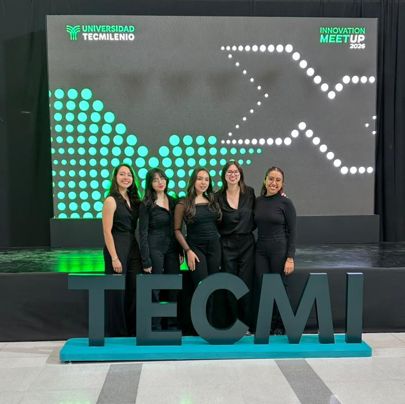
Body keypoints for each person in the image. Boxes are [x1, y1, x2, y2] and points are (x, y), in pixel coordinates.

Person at [174, 167, 222, 325]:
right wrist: (187, 250)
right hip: (195, 249)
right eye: (200, 178)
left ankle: (210, 326)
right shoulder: (183, 203)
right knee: (202, 287)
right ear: (193, 181)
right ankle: (200, 325)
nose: (203, 182)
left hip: (214, 248)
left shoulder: (213, 201)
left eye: (206, 179)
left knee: (213, 287)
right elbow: (177, 230)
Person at [254, 166, 296, 335]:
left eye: (278, 180)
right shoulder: (258, 201)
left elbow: (293, 231)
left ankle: (280, 325)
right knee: (264, 287)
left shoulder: (286, 203)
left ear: (282, 184)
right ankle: (267, 324)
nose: (274, 183)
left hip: (279, 250)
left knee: (279, 288)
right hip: (261, 251)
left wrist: (290, 257)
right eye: (271, 179)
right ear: (265, 180)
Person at [139, 168, 182, 331]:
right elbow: (142, 232)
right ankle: (154, 326)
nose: (160, 182)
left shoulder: (173, 201)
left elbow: (177, 228)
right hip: (154, 247)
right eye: (155, 179)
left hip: (172, 248)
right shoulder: (146, 204)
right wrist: (146, 259)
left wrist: (180, 250)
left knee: (173, 286)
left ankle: (172, 325)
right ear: (150, 183)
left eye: (162, 178)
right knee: (155, 288)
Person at [102, 163, 142, 337]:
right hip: (117, 246)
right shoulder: (111, 200)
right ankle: (117, 333)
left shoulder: (134, 200)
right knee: (117, 292)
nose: (126, 177)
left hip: (133, 246)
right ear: (115, 177)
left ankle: (132, 330)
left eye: (129, 175)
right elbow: (107, 231)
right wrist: (114, 257)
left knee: (134, 287)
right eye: (122, 174)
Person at [216, 160, 255, 330]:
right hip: (227, 245)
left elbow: (259, 212)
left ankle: (245, 325)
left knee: (246, 283)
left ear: (240, 175)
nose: (233, 175)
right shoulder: (217, 196)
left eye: (236, 172)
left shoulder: (250, 193)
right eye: (229, 172)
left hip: (247, 244)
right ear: (224, 175)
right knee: (230, 283)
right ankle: (232, 324)